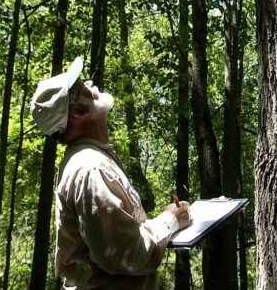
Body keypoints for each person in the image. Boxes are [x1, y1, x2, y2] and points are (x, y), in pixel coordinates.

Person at [30, 57, 191, 289]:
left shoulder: (92, 160)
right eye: (81, 87)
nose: (91, 84)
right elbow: (126, 254)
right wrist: (171, 220)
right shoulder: (91, 168)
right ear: (78, 112)